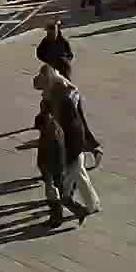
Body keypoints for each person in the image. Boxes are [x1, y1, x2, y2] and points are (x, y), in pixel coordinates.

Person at [37, 67, 100, 224]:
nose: (43, 94)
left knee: (67, 183)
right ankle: (91, 205)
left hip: (71, 147)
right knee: (78, 175)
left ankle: (80, 209)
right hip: (73, 145)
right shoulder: (62, 100)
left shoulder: (62, 106)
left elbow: (71, 130)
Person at [34, 107, 70, 227]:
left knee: (53, 195)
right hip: (58, 167)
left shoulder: (50, 136)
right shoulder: (55, 127)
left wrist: (46, 172)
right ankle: (59, 215)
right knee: (57, 192)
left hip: (52, 169)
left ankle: (56, 219)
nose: (40, 131)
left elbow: (47, 155)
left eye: (40, 128)